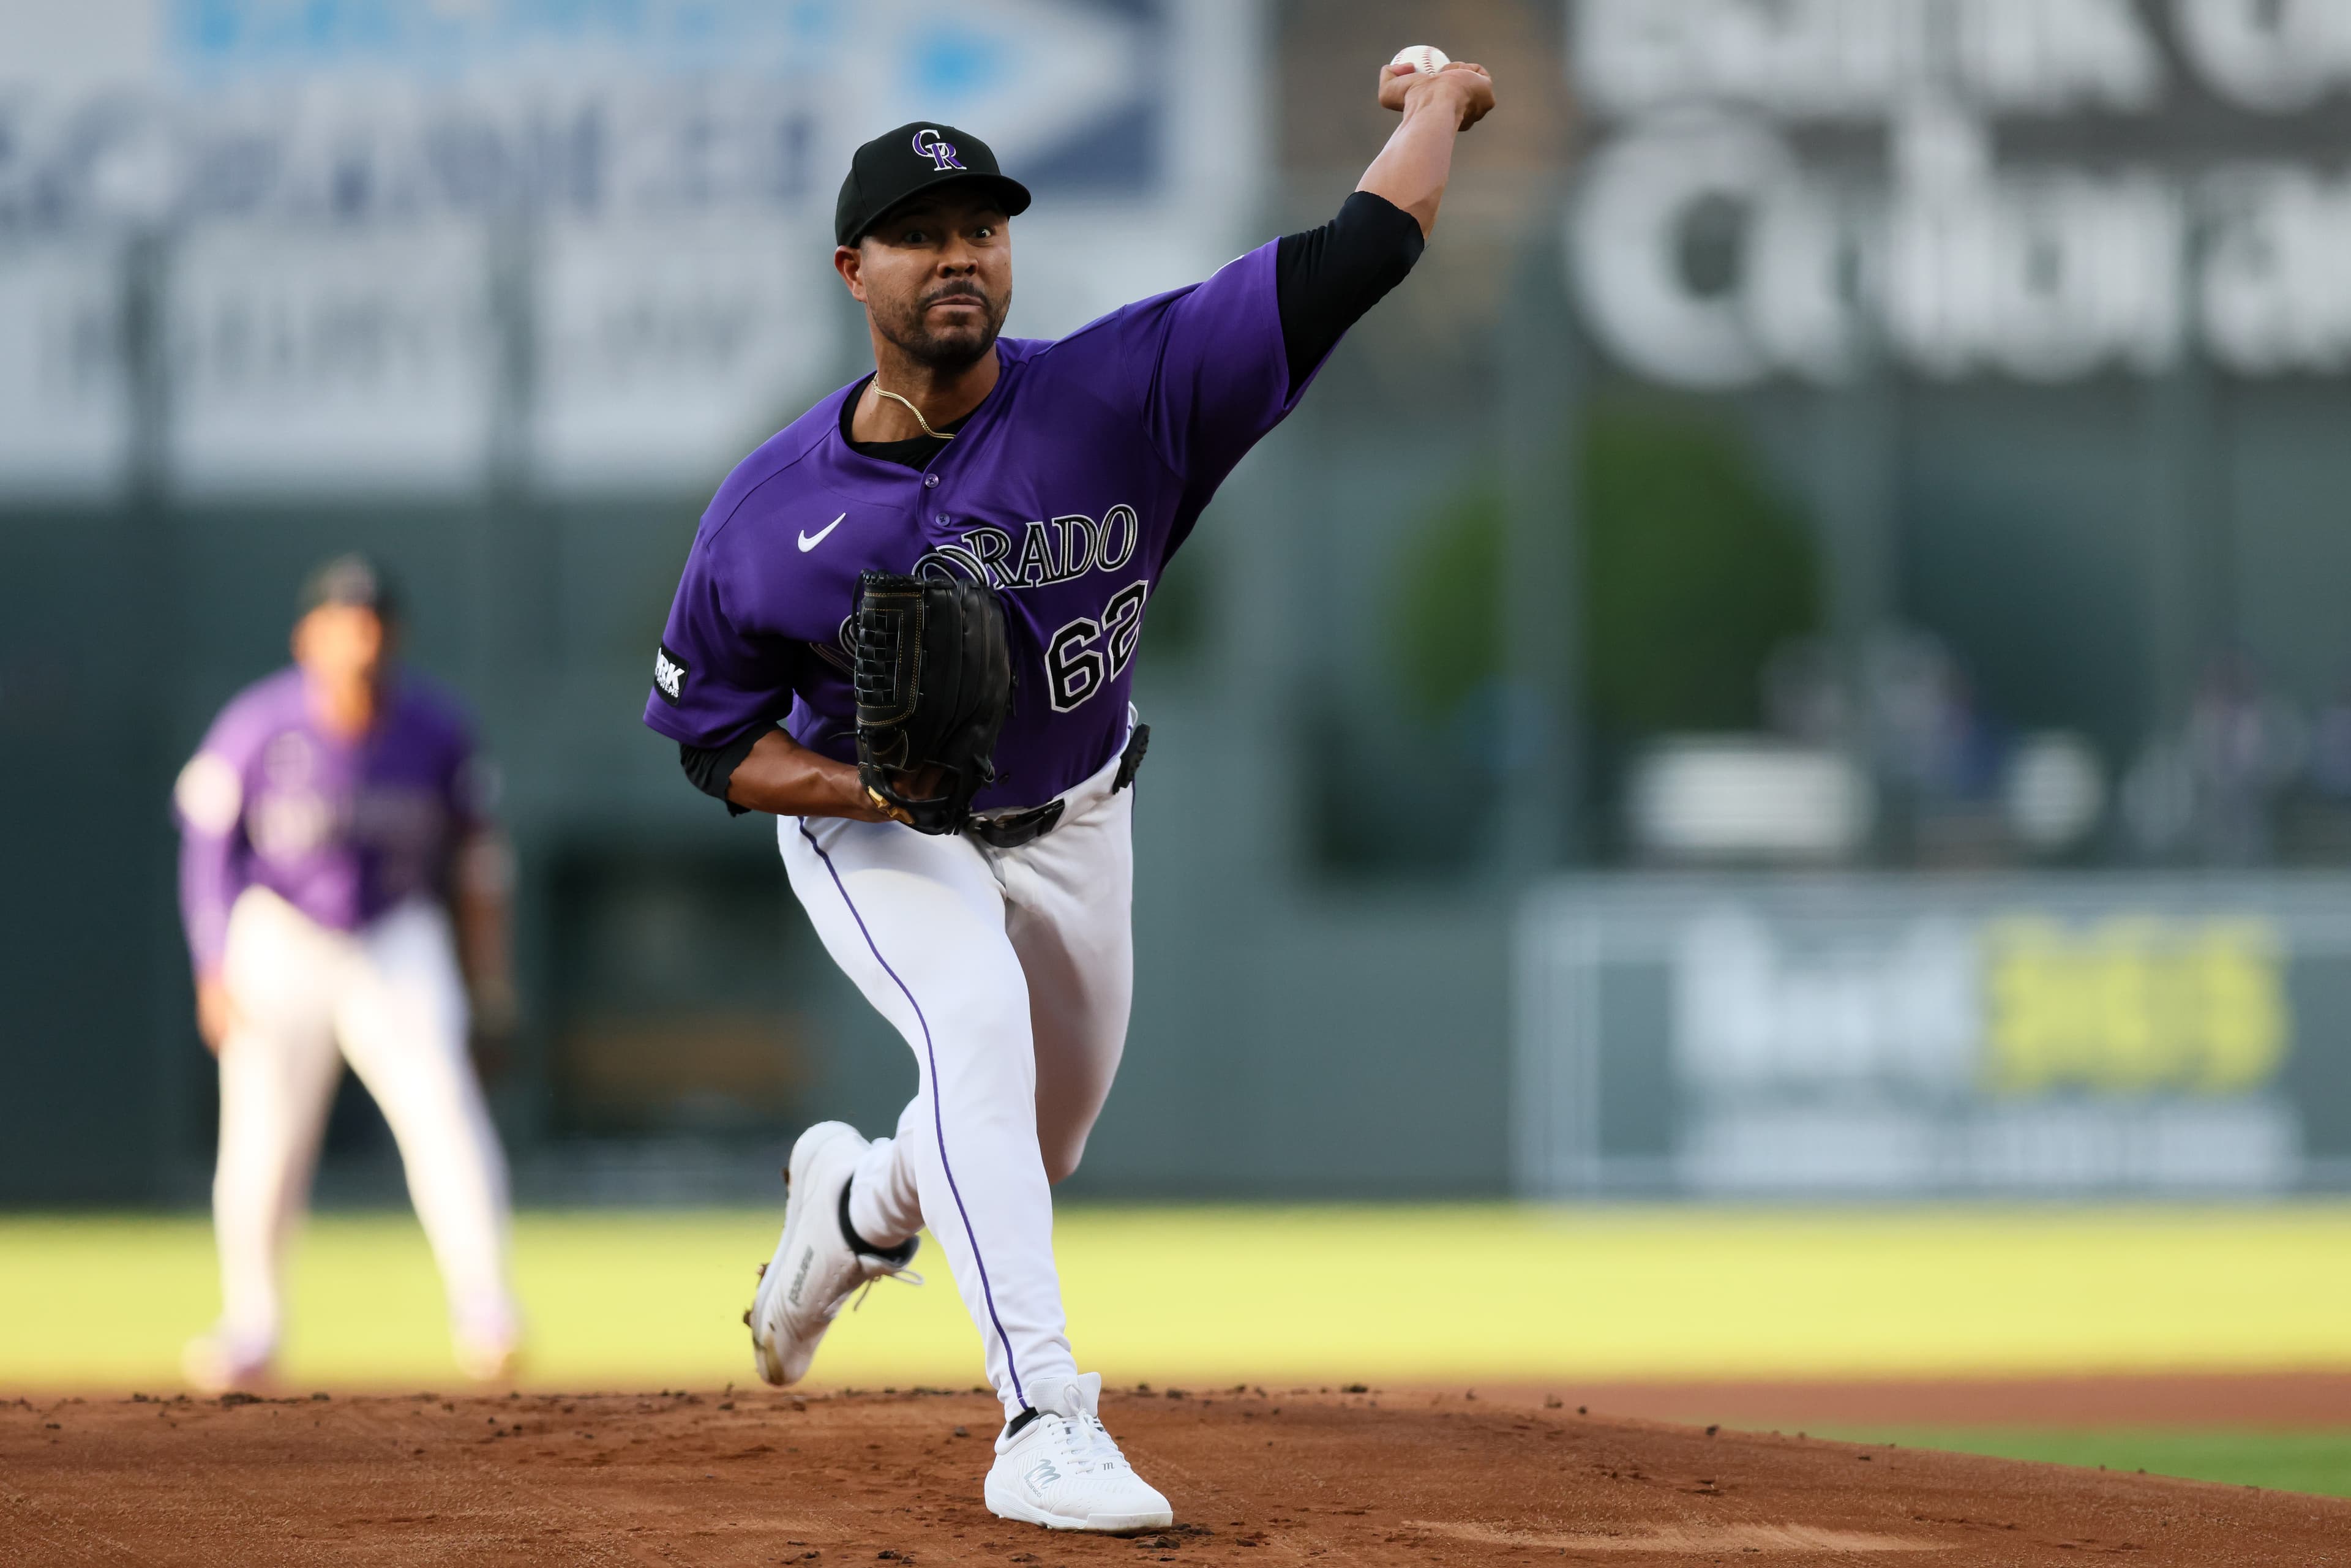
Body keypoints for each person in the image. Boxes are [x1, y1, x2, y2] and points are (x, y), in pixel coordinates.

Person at [642, 58, 1496, 1531]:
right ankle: (1043, 1418)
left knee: (1031, 1146)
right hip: (876, 831)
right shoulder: (770, 513)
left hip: (1083, 811)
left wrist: (1441, 106)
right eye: (920, 230)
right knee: (970, 1021)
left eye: (983, 223)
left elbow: (1360, 253)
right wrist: (868, 788)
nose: (959, 251)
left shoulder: (1124, 392)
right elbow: (715, 747)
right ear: (856, 270)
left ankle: (850, 1209)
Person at [174, 555, 523, 1392]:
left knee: (444, 1114)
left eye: (371, 622)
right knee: (261, 1140)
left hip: (394, 935)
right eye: (341, 621)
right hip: (281, 934)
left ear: (391, 636)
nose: (357, 638)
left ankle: (487, 1311)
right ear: (309, 636)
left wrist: (491, 980)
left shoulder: (437, 729)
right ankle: (252, 1324)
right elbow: (207, 853)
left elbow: (480, 865)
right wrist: (214, 963)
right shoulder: (256, 726)